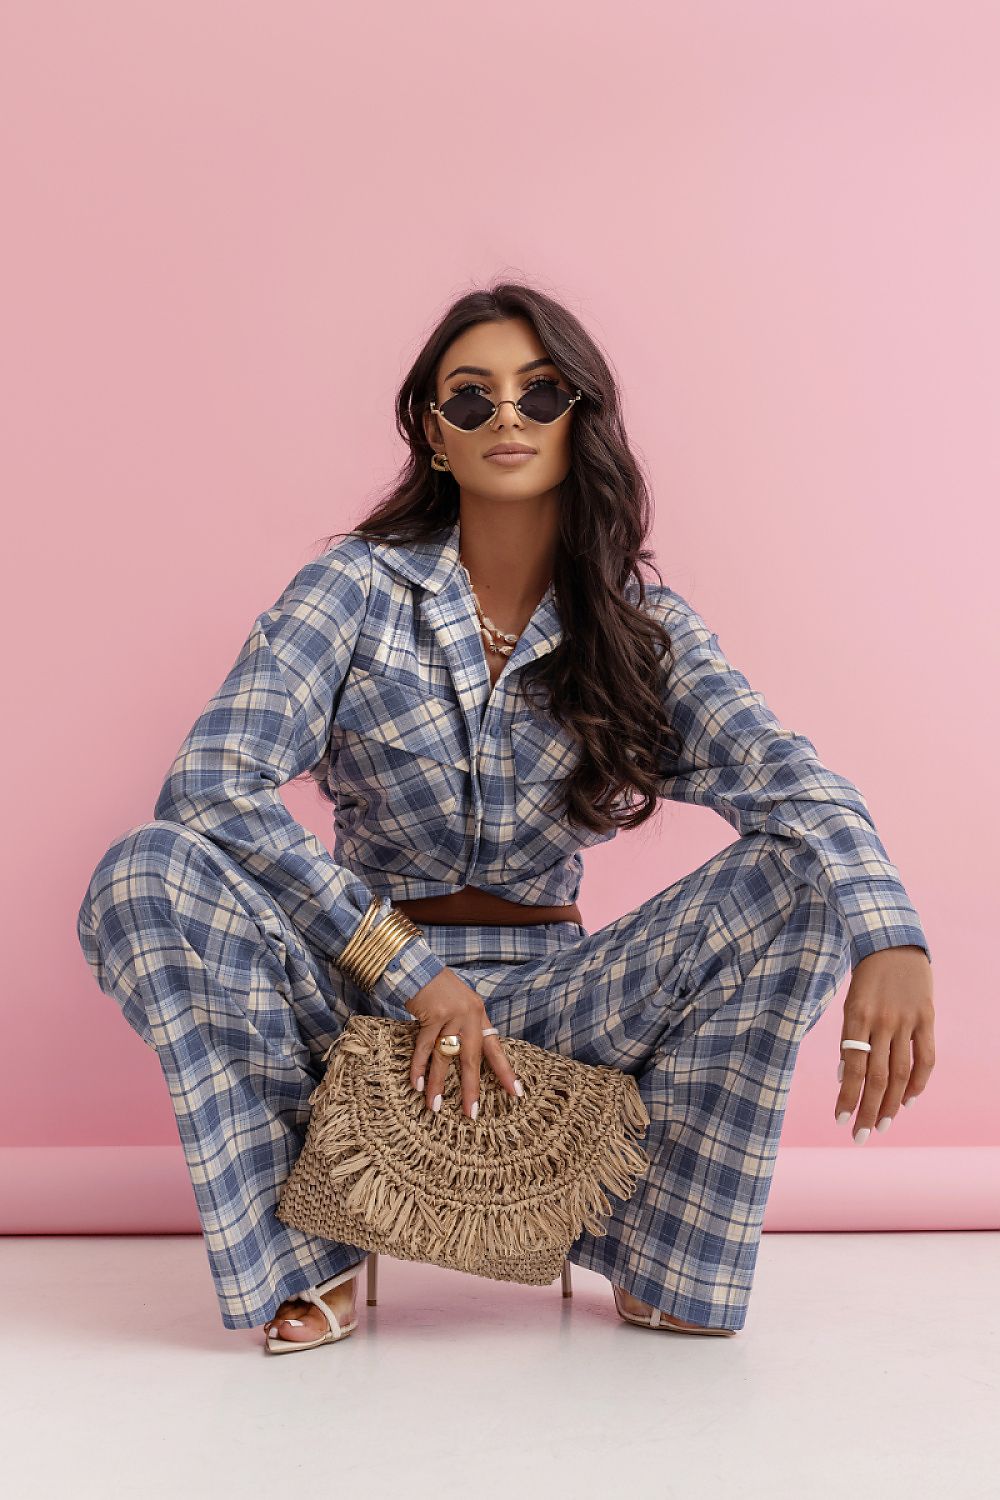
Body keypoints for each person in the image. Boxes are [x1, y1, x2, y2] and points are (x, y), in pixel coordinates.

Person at [76, 280, 934, 1352]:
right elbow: (210, 784)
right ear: (434, 433)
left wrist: (893, 937)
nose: (508, 418)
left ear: (580, 418)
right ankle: (304, 1251)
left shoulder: (638, 624)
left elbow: (786, 776)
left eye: (540, 393)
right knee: (145, 872)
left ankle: (661, 1245)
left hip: (557, 1014)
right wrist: (407, 970)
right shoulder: (353, 589)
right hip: (357, 1004)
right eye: (472, 399)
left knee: (810, 873)